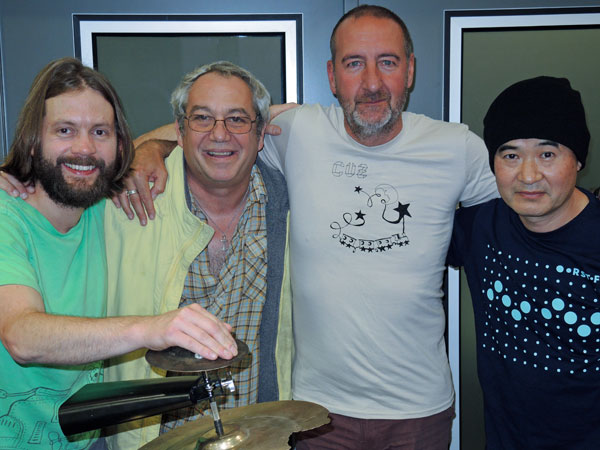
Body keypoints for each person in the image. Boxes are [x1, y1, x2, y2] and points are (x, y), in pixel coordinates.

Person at [110, 5, 498, 448]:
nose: (371, 83)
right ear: (332, 76)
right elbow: (220, 126)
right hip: (316, 413)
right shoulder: (298, 131)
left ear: (410, 70)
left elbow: (528, 208)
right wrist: (150, 148)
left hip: (418, 411)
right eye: (354, 64)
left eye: (387, 62)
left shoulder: (457, 149)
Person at [0, 58, 236, 450]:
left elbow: (195, 133)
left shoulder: (100, 206)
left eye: (100, 131)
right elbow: (21, 336)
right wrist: (153, 328)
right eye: (64, 130)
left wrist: (151, 148)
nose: (85, 148)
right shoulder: (7, 215)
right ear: (32, 140)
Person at [101, 61, 292, 449]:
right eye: (202, 118)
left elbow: (349, 120)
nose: (219, 134)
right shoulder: (126, 198)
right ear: (179, 129)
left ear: (260, 134)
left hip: (260, 437)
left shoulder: (292, 201)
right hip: (150, 441)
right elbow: (49, 179)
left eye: (237, 119)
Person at [447, 76, 600, 449]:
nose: (528, 176)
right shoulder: (480, 226)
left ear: (578, 158)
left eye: (547, 154)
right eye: (510, 155)